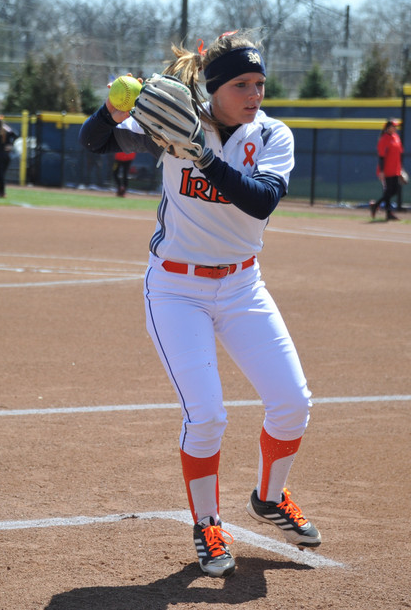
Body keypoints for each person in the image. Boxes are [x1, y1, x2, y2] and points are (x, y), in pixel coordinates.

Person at [79, 31, 320, 579]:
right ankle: (208, 523)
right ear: (214, 87)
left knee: (292, 403)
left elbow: (260, 200)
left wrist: (202, 155)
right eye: (241, 85)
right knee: (207, 415)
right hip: (176, 290)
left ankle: (269, 497)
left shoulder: (272, 134)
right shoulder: (175, 122)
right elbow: (94, 143)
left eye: (259, 83)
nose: (254, 94)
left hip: (242, 287)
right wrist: (111, 110)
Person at [370, 118, 403, 221]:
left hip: (395, 169)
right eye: (394, 126)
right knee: (389, 191)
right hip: (386, 171)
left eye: (396, 126)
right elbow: (381, 157)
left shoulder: (396, 137)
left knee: (395, 190)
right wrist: (382, 171)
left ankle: (376, 205)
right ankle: (389, 214)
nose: (395, 128)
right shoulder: (383, 139)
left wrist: (400, 169)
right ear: (388, 128)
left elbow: (398, 154)